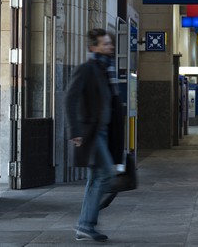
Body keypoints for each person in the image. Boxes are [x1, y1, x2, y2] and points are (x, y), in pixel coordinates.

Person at [65, 28, 125, 242]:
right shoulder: (87, 69)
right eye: (105, 44)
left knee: (95, 178)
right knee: (105, 174)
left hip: (105, 132)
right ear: (93, 47)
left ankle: (85, 224)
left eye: (110, 43)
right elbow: (70, 99)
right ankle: (86, 222)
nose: (109, 47)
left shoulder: (106, 70)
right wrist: (75, 131)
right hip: (92, 133)